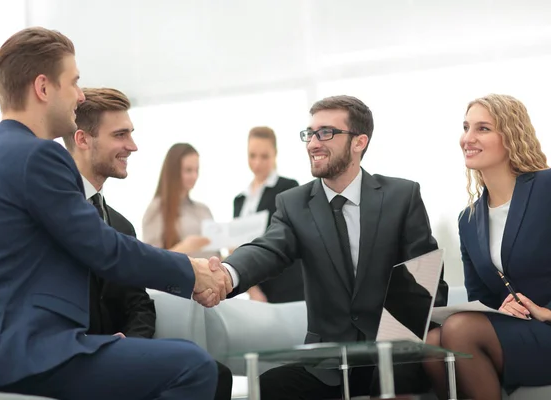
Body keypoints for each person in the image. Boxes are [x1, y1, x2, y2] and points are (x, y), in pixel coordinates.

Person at [0, 27, 230, 400]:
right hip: (29, 357)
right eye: (74, 82)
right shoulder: (38, 155)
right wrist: (190, 271)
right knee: (193, 366)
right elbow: (104, 249)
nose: (80, 96)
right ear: (43, 88)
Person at [198, 95, 449, 399]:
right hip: (328, 363)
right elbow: (269, 249)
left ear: (359, 142)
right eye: (310, 133)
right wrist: (227, 274)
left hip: (394, 354)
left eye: (326, 133)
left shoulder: (401, 196)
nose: (313, 143)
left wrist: (400, 348)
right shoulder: (293, 204)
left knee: (394, 383)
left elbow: (426, 279)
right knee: (269, 387)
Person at [65, 86, 233, 400]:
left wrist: (129, 340)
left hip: (117, 353)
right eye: (120, 135)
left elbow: (139, 304)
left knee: (217, 373)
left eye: (131, 133)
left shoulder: (122, 225)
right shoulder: (56, 213)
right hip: (74, 354)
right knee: (200, 370)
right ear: (83, 139)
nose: (133, 146)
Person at [424, 94, 551, 400]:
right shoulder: (468, 220)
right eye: (466, 127)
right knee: (430, 344)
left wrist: (545, 312)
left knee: (460, 330)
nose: (467, 138)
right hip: (515, 333)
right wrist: (501, 308)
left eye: (482, 128)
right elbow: (481, 299)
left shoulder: (547, 188)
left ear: (511, 136)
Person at [233, 126, 304, 303]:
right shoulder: (240, 200)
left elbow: (289, 239)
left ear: (275, 154)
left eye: (264, 156)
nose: (257, 163)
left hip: (289, 289)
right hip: (257, 291)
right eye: (252, 155)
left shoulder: (287, 188)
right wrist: (253, 291)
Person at [142, 143, 214, 257]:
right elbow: (151, 262)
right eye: (188, 170)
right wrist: (185, 247)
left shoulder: (203, 209)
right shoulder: (157, 209)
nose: (194, 176)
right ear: (173, 171)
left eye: (197, 170)